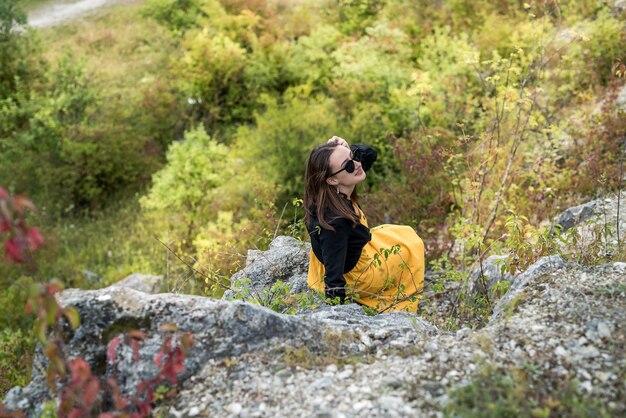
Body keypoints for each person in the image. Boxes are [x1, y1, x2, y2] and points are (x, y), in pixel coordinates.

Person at [304, 136, 425, 313]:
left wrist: (345, 149)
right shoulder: (335, 222)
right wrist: (335, 315)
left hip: (348, 251)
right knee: (412, 247)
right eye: (349, 164)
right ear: (332, 180)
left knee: (403, 231)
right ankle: (400, 306)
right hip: (359, 275)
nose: (357, 163)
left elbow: (371, 154)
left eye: (353, 156)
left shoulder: (329, 192)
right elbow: (334, 278)